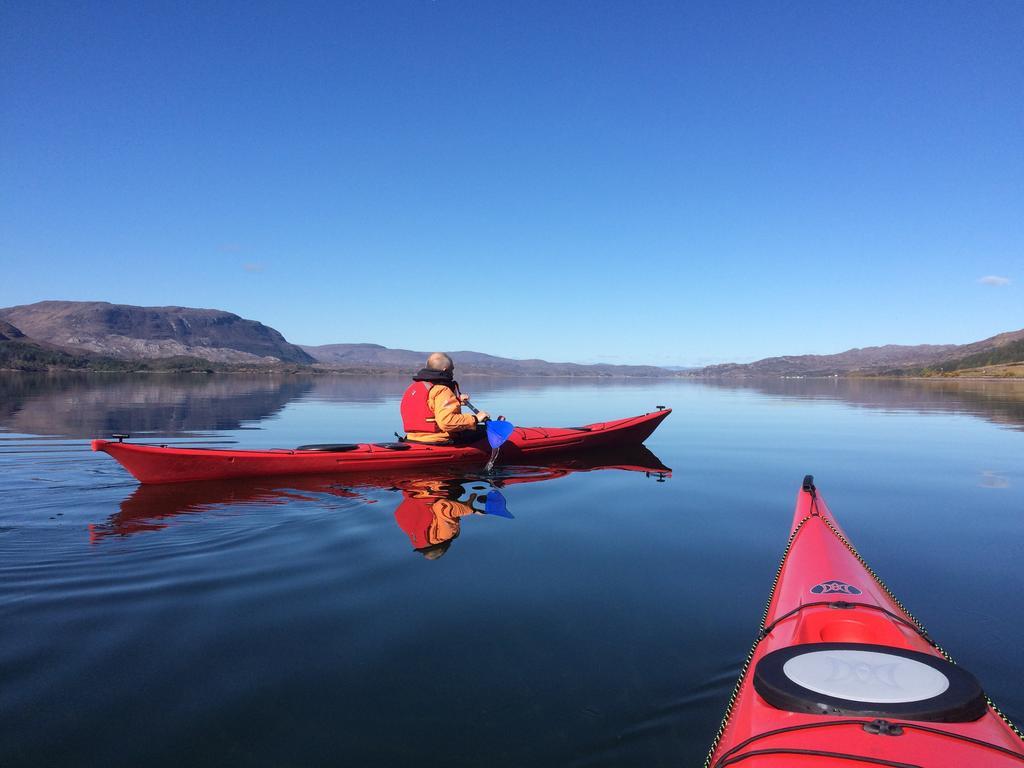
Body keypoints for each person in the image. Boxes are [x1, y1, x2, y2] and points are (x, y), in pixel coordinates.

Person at [401, 352, 489, 444]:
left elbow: (430, 406)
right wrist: (475, 418)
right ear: (445, 370)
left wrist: (457, 400)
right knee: (487, 431)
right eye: (452, 370)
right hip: (438, 439)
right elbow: (446, 422)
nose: (452, 373)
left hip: (413, 438)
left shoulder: (413, 387)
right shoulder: (441, 389)